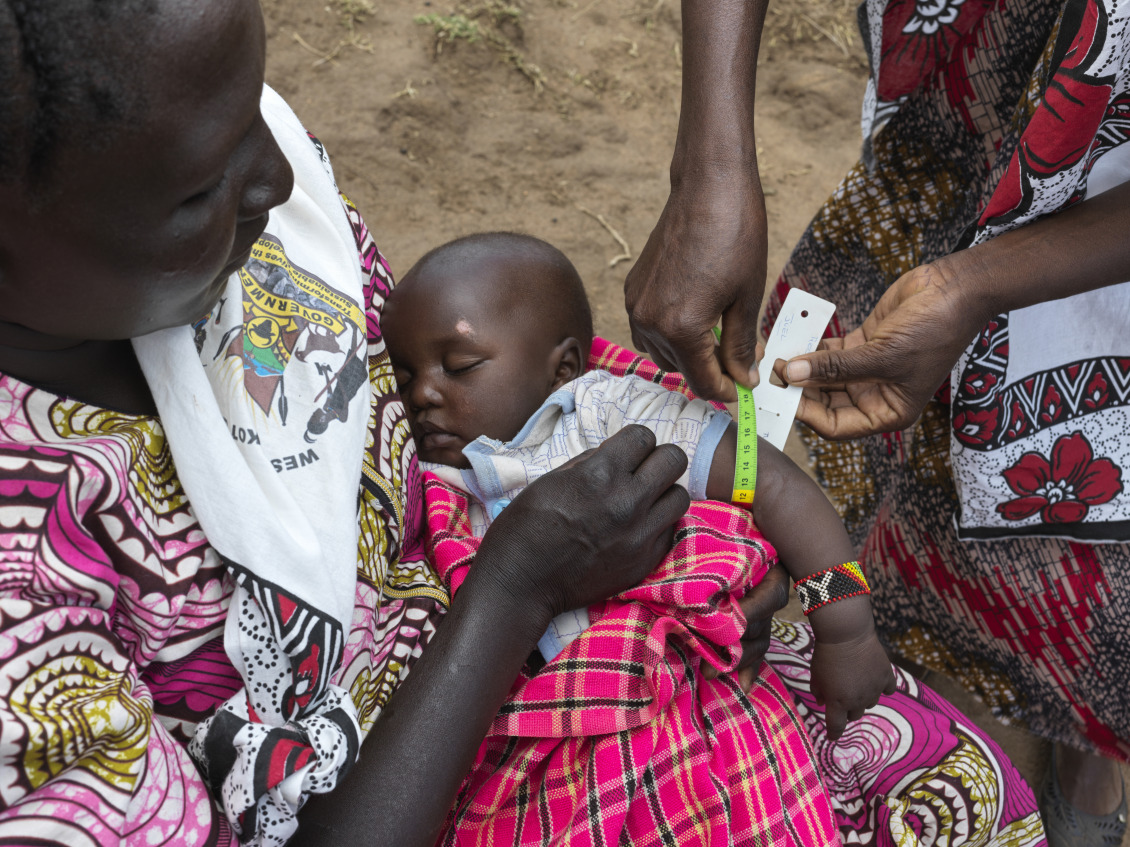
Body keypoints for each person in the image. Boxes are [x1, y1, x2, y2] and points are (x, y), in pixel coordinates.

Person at [0, 3, 692, 846]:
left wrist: (691, 526)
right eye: (197, 191)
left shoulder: (231, 206)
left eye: (258, 98)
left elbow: (471, 402)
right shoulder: (21, 595)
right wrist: (516, 588)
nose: (281, 179)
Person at [624, 1, 1130, 844]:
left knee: (1093, 569)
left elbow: (777, 493)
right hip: (949, 132)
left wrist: (975, 286)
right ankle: (971, 671)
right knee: (933, 489)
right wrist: (710, 162)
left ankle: (1083, 743)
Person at [383, 232, 1044, 846]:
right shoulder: (431, 482)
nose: (425, 395)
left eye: (460, 364)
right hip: (550, 752)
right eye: (407, 377)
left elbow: (776, 487)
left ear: (564, 369)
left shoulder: (610, 412)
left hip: (696, 715)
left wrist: (845, 628)